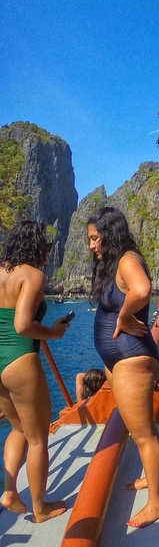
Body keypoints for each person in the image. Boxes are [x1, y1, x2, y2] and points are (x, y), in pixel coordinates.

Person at [88, 206, 159, 525]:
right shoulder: (112, 263)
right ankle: (154, 477)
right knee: (140, 429)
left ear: (110, 234)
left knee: (144, 434)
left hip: (131, 357)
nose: (93, 245)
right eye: (90, 240)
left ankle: (157, 503)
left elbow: (142, 290)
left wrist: (123, 317)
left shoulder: (127, 259)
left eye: (96, 238)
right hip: (118, 358)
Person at [0, 220, 69, 522]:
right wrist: (53, 332)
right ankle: (40, 508)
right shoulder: (33, 275)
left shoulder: (1, 270)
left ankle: (9, 490)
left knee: (18, 429)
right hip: (20, 358)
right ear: (39, 248)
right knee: (39, 437)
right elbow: (23, 324)